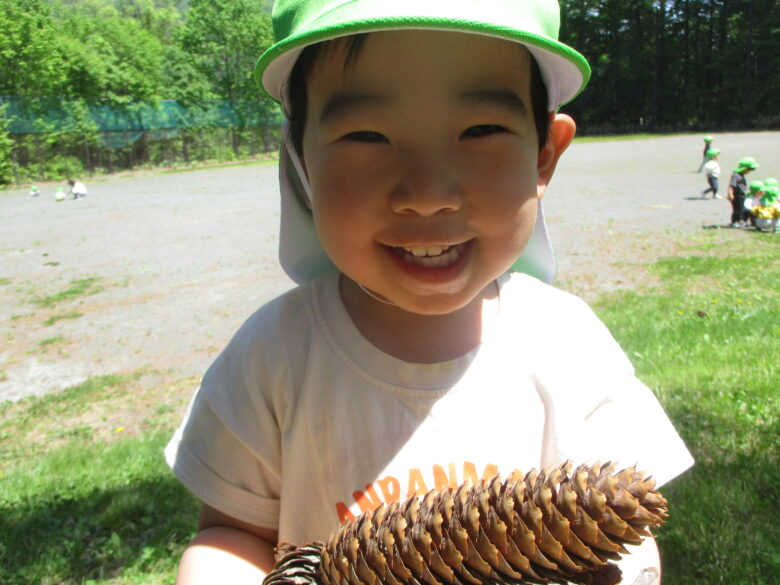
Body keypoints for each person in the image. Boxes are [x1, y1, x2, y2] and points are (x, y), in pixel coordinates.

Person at [165, 2, 694, 584]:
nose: (427, 194)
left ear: (545, 155)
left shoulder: (569, 344)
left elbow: (624, 519)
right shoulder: (270, 359)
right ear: (300, 163)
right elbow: (233, 534)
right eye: (366, 135)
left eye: (480, 131)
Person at [728, 157, 759, 227]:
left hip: (742, 194)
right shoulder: (736, 175)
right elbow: (732, 185)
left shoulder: (741, 175)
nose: (749, 172)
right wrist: (730, 193)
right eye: (749, 170)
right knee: (737, 209)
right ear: (745, 168)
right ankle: (735, 222)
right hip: (737, 195)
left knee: (742, 208)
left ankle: (740, 221)